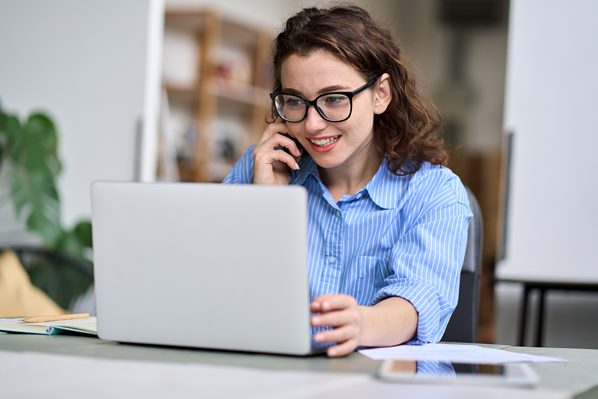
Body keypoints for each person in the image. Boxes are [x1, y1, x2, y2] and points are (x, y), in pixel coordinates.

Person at [224, 4, 472, 357]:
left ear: (381, 94)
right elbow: (222, 289)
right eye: (295, 101)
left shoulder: (435, 192)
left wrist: (362, 323)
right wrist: (269, 206)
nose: (312, 124)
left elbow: (416, 302)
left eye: (335, 99)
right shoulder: (258, 169)